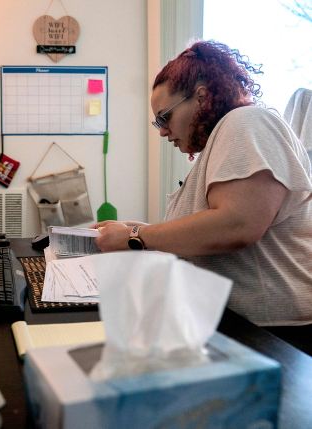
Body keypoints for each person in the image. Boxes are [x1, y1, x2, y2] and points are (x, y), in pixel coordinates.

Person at [91, 40, 312, 352]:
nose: (162, 132)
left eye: (164, 117)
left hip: (274, 337)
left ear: (202, 97)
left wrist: (135, 236)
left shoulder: (247, 122)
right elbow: (206, 232)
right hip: (243, 327)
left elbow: (237, 225)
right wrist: (133, 229)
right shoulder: (225, 138)